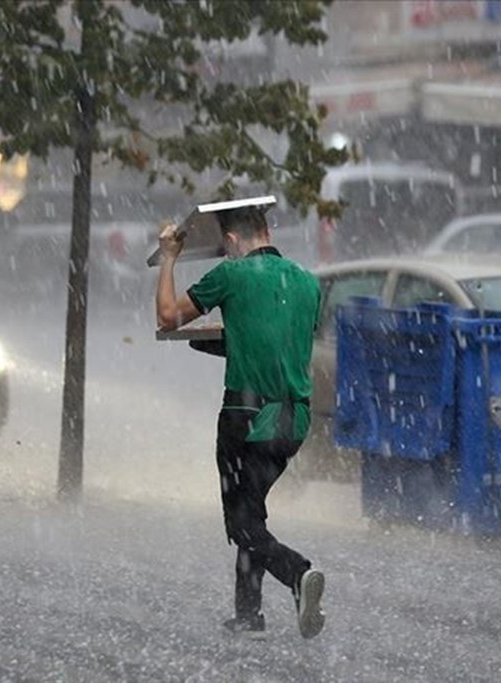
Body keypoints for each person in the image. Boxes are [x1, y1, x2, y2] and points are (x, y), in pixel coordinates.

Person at [155, 205, 326, 639]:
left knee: (242, 523)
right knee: (252, 511)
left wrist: (170, 256)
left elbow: (167, 316)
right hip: (293, 422)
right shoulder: (307, 282)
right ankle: (248, 614)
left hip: (246, 418)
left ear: (230, 241)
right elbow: (279, 342)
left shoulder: (231, 276)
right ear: (268, 229)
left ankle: (297, 573)